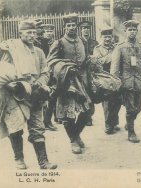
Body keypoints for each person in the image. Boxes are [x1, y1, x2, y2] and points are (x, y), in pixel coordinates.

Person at [0, 19, 57, 169]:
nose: (32, 35)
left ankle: (43, 162)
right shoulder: (11, 50)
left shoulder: (39, 52)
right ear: (20, 33)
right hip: (15, 95)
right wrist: (10, 85)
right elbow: (1, 71)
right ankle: (19, 159)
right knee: (16, 126)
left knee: (38, 127)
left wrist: (39, 83)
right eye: (28, 32)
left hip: (35, 94)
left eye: (34, 32)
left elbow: (46, 72)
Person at [47, 13, 92, 154]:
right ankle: (73, 140)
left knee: (88, 111)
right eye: (69, 26)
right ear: (64, 27)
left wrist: (90, 61)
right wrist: (65, 66)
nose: (71, 28)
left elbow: (86, 58)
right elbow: (51, 62)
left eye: (73, 25)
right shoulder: (59, 43)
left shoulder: (82, 41)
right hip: (66, 82)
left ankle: (76, 134)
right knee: (68, 114)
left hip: (82, 81)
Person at [111, 20, 141, 143]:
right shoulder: (120, 48)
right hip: (126, 83)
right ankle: (131, 132)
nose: (132, 32)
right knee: (130, 109)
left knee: (138, 108)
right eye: (130, 30)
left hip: (139, 82)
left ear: (137, 31)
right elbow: (114, 68)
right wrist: (115, 83)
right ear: (125, 31)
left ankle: (129, 121)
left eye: (134, 30)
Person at [93, 28, 122, 134]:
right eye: (105, 37)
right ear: (101, 38)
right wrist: (113, 57)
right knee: (107, 102)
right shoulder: (97, 49)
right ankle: (108, 125)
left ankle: (114, 122)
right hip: (104, 78)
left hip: (116, 77)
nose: (107, 39)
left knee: (118, 101)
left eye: (109, 37)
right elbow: (98, 62)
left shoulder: (116, 47)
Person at [38, 23, 58, 131]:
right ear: (43, 32)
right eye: (47, 31)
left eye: (51, 31)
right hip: (43, 73)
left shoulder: (56, 43)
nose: (49, 33)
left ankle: (47, 121)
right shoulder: (40, 44)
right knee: (42, 97)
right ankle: (42, 122)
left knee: (52, 96)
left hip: (53, 72)